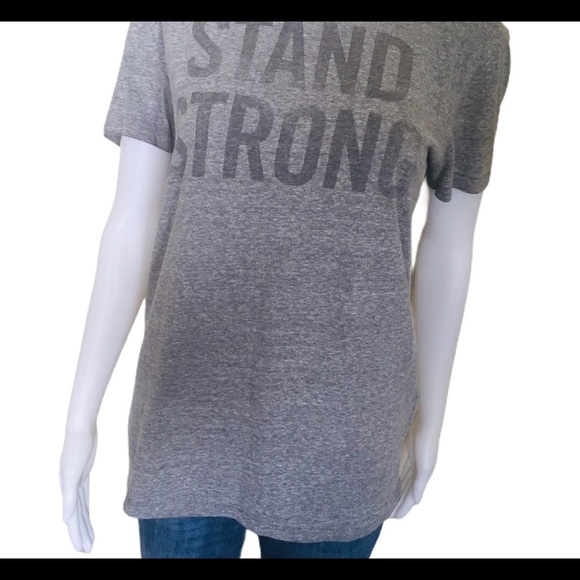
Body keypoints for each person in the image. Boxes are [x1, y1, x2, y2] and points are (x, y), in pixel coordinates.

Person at [60, 22, 510, 558]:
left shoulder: (468, 39)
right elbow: (132, 217)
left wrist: (430, 418)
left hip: (345, 429)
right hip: (185, 419)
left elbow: (450, 244)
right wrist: (81, 414)